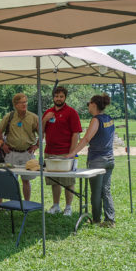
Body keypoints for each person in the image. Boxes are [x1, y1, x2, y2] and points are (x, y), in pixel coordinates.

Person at [66, 94, 115, 227]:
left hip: (97, 160)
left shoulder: (96, 120)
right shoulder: (109, 119)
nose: (88, 106)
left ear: (94, 104)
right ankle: (110, 220)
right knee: (106, 190)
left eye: (89, 103)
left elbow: (87, 138)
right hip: (109, 159)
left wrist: (73, 153)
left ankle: (96, 219)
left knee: (96, 191)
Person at [43, 86, 82, 216]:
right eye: (56, 96)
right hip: (50, 152)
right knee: (55, 181)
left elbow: (75, 134)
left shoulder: (71, 112)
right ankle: (56, 205)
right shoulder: (48, 112)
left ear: (65, 97)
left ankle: (68, 207)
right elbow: (41, 131)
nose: (58, 98)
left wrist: (71, 153)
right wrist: (45, 119)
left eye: (61, 96)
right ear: (53, 97)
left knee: (68, 181)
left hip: (65, 153)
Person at [0, 93, 39, 201]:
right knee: (11, 179)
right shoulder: (9, 117)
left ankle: (26, 203)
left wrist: (36, 145)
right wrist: (3, 145)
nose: (25, 104)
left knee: (26, 180)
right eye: (22, 102)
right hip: (11, 153)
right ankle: (14, 203)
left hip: (27, 153)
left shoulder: (34, 117)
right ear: (15, 104)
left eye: (26, 102)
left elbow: (42, 133)